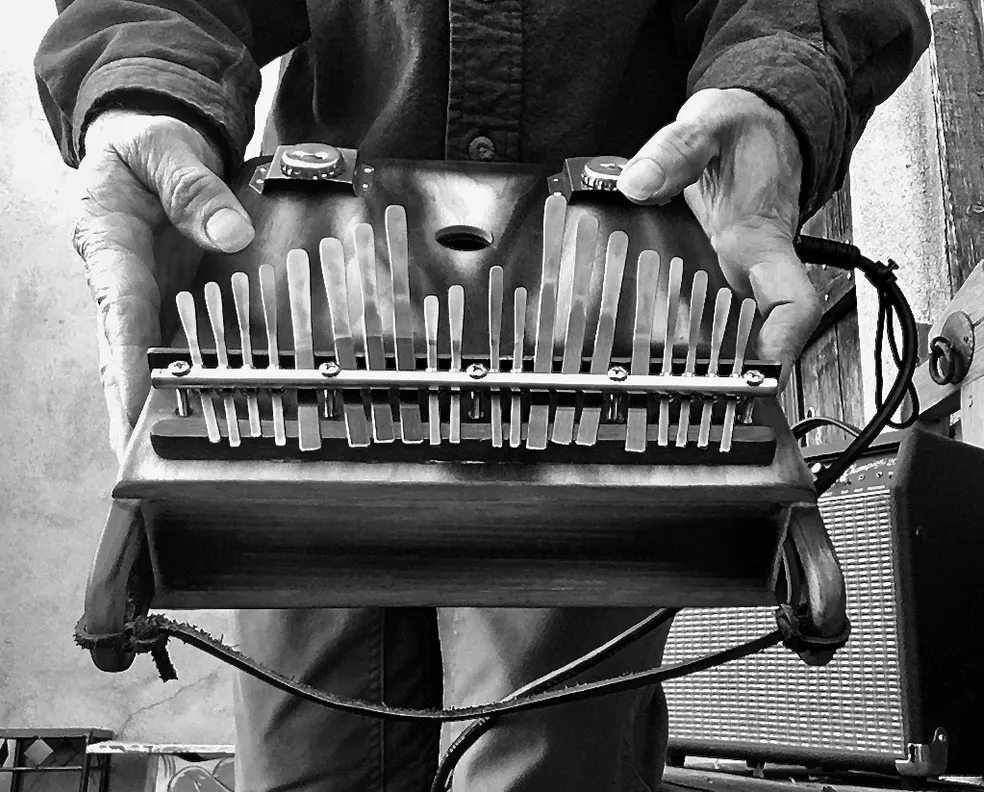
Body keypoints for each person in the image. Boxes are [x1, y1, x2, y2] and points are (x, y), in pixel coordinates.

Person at [35, 2, 930, 790]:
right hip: (308, 327)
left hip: (603, 346)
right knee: (304, 764)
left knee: (542, 763)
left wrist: (770, 86)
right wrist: (142, 88)